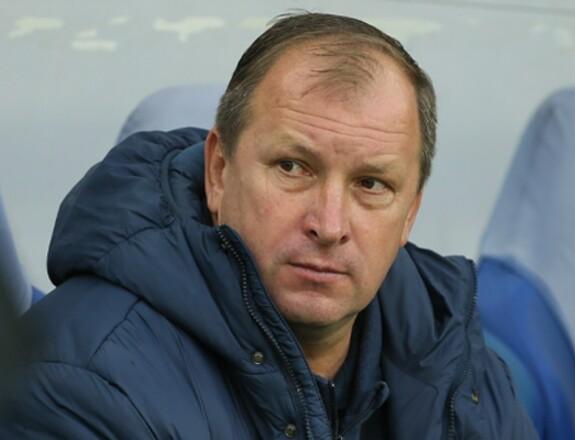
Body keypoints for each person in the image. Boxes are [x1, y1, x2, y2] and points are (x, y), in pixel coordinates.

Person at [0, 12, 537, 439]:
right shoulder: (78, 381)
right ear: (219, 171)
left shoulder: (459, 366)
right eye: (293, 168)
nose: (329, 224)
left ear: (410, 214)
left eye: (371, 184)